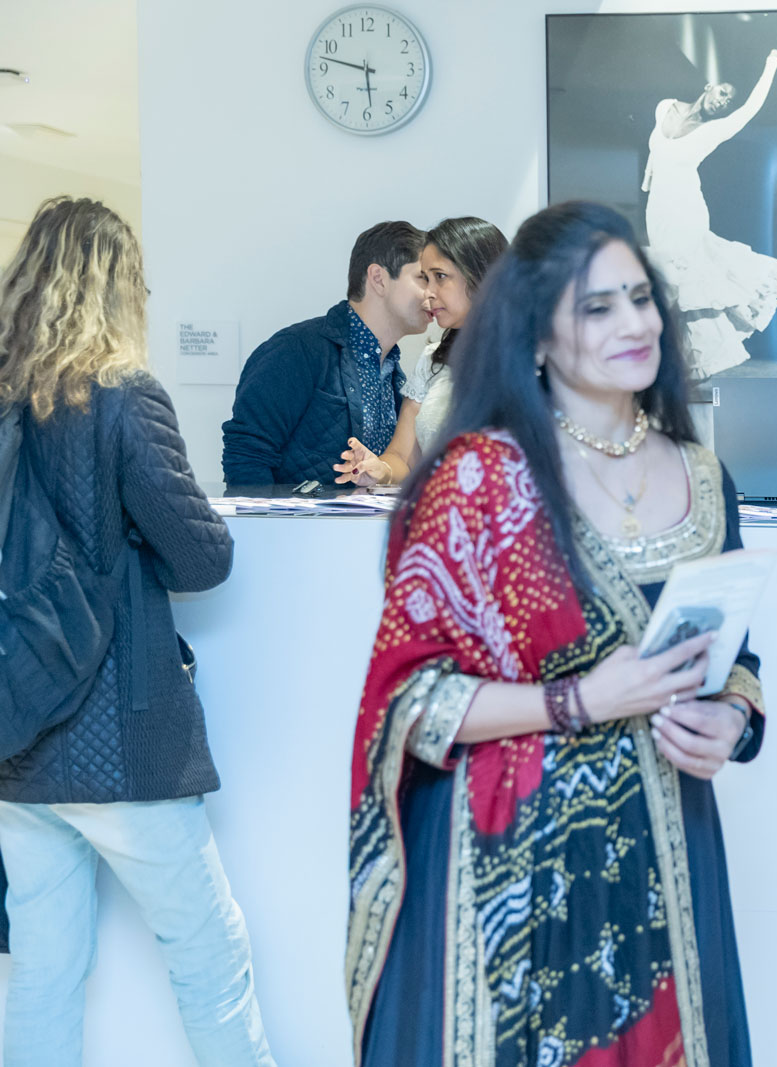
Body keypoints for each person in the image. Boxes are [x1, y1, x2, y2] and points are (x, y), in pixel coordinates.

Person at [348, 201, 765, 1067]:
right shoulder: (477, 480)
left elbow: (734, 656)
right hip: (510, 862)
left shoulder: (703, 474)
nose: (634, 324)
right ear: (536, 335)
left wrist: (731, 718)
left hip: (664, 848)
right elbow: (411, 701)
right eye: (597, 307)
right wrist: (579, 699)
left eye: (641, 298)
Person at [0, 197, 274, 1065]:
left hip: (17, 736)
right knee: (209, 957)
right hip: (120, 736)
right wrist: (127, 543)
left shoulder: (4, 402)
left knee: (42, 973)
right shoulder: (123, 398)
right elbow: (202, 558)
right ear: (115, 288)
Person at [221, 220, 428, 486]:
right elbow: (246, 455)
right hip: (289, 515)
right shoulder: (295, 350)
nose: (433, 292)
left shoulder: (393, 371)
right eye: (424, 278)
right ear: (378, 278)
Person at [642, 48, 777, 377]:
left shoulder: (713, 130)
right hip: (658, 212)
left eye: (729, 101)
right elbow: (657, 154)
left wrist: (770, 63)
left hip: (687, 211)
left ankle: (691, 365)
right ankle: (675, 363)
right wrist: (648, 183)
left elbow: (751, 107)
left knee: (685, 283)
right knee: (667, 280)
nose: (724, 102)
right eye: (723, 93)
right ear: (709, 86)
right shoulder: (665, 107)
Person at [334, 216, 508, 486]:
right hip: (442, 508)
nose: (428, 292)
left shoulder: (537, 359)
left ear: (480, 274)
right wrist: (379, 469)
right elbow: (403, 458)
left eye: (440, 277)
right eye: (426, 279)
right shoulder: (432, 360)